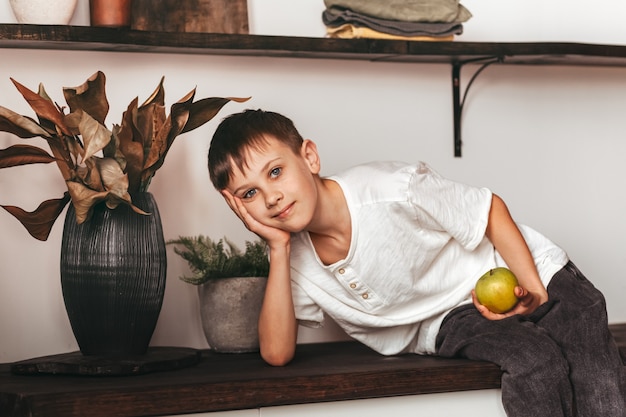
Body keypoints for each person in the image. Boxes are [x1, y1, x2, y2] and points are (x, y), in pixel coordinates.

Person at [207, 109, 626, 417]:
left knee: (589, 354)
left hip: (523, 268)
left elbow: (490, 210)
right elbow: (277, 354)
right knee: (535, 359)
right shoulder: (293, 258)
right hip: (449, 321)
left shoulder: (391, 188)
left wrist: (533, 288)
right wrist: (278, 249)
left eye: (276, 172)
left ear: (310, 157)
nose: (270, 197)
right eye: (248, 195)